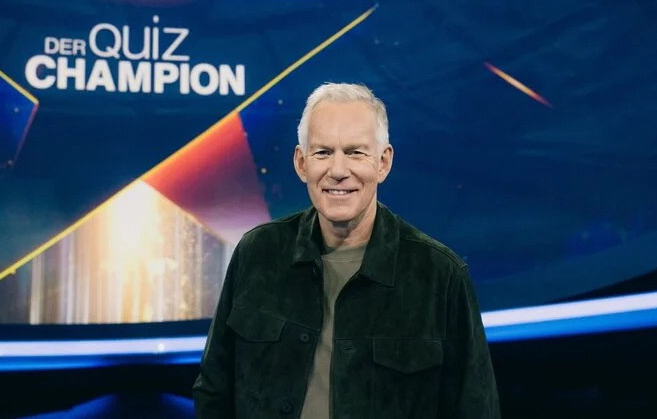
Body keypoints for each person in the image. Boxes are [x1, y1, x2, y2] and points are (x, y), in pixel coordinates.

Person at [192, 82, 500, 418]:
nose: (338, 171)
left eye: (355, 152)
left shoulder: (440, 275)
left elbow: (475, 409)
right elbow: (214, 390)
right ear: (301, 163)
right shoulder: (257, 253)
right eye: (323, 152)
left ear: (383, 163)